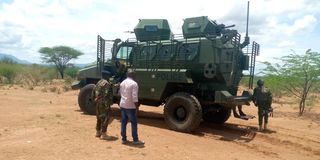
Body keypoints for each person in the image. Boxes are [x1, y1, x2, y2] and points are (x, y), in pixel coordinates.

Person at [119, 70, 144, 145]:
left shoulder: (122, 82)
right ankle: (135, 140)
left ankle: (124, 139)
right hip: (130, 106)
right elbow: (134, 97)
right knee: (133, 123)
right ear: (133, 75)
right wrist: (136, 107)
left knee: (123, 122)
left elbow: (120, 93)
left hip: (123, 105)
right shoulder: (134, 84)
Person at [93, 71, 114, 140]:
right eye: (109, 76)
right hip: (104, 104)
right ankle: (104, 134)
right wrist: (107, 105)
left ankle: (98, 132)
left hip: (98, 103)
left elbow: (93, 92)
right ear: (106, 76)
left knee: (99, 117)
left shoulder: (98, 82)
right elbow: (106, 94)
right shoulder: (106, 83)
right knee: (105, 118)